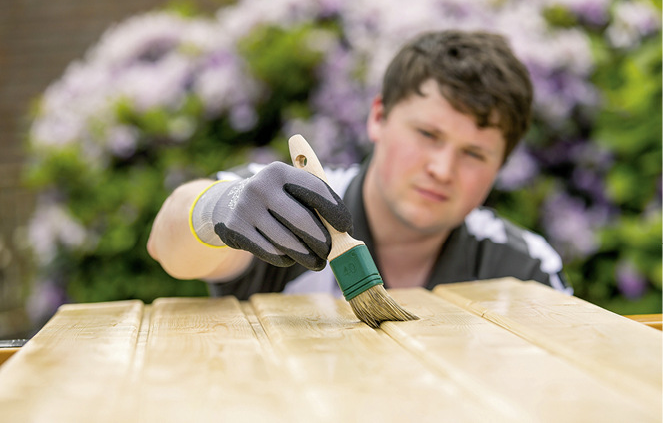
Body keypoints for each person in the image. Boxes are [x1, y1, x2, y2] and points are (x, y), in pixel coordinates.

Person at [147, 30, 572, 300]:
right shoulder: (291, 205)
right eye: (428, 135)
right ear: (378, 118)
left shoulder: (524, 270)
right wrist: (216, 208)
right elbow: (167, 244)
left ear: (502, 164)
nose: (443, 169)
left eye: (475, 154)